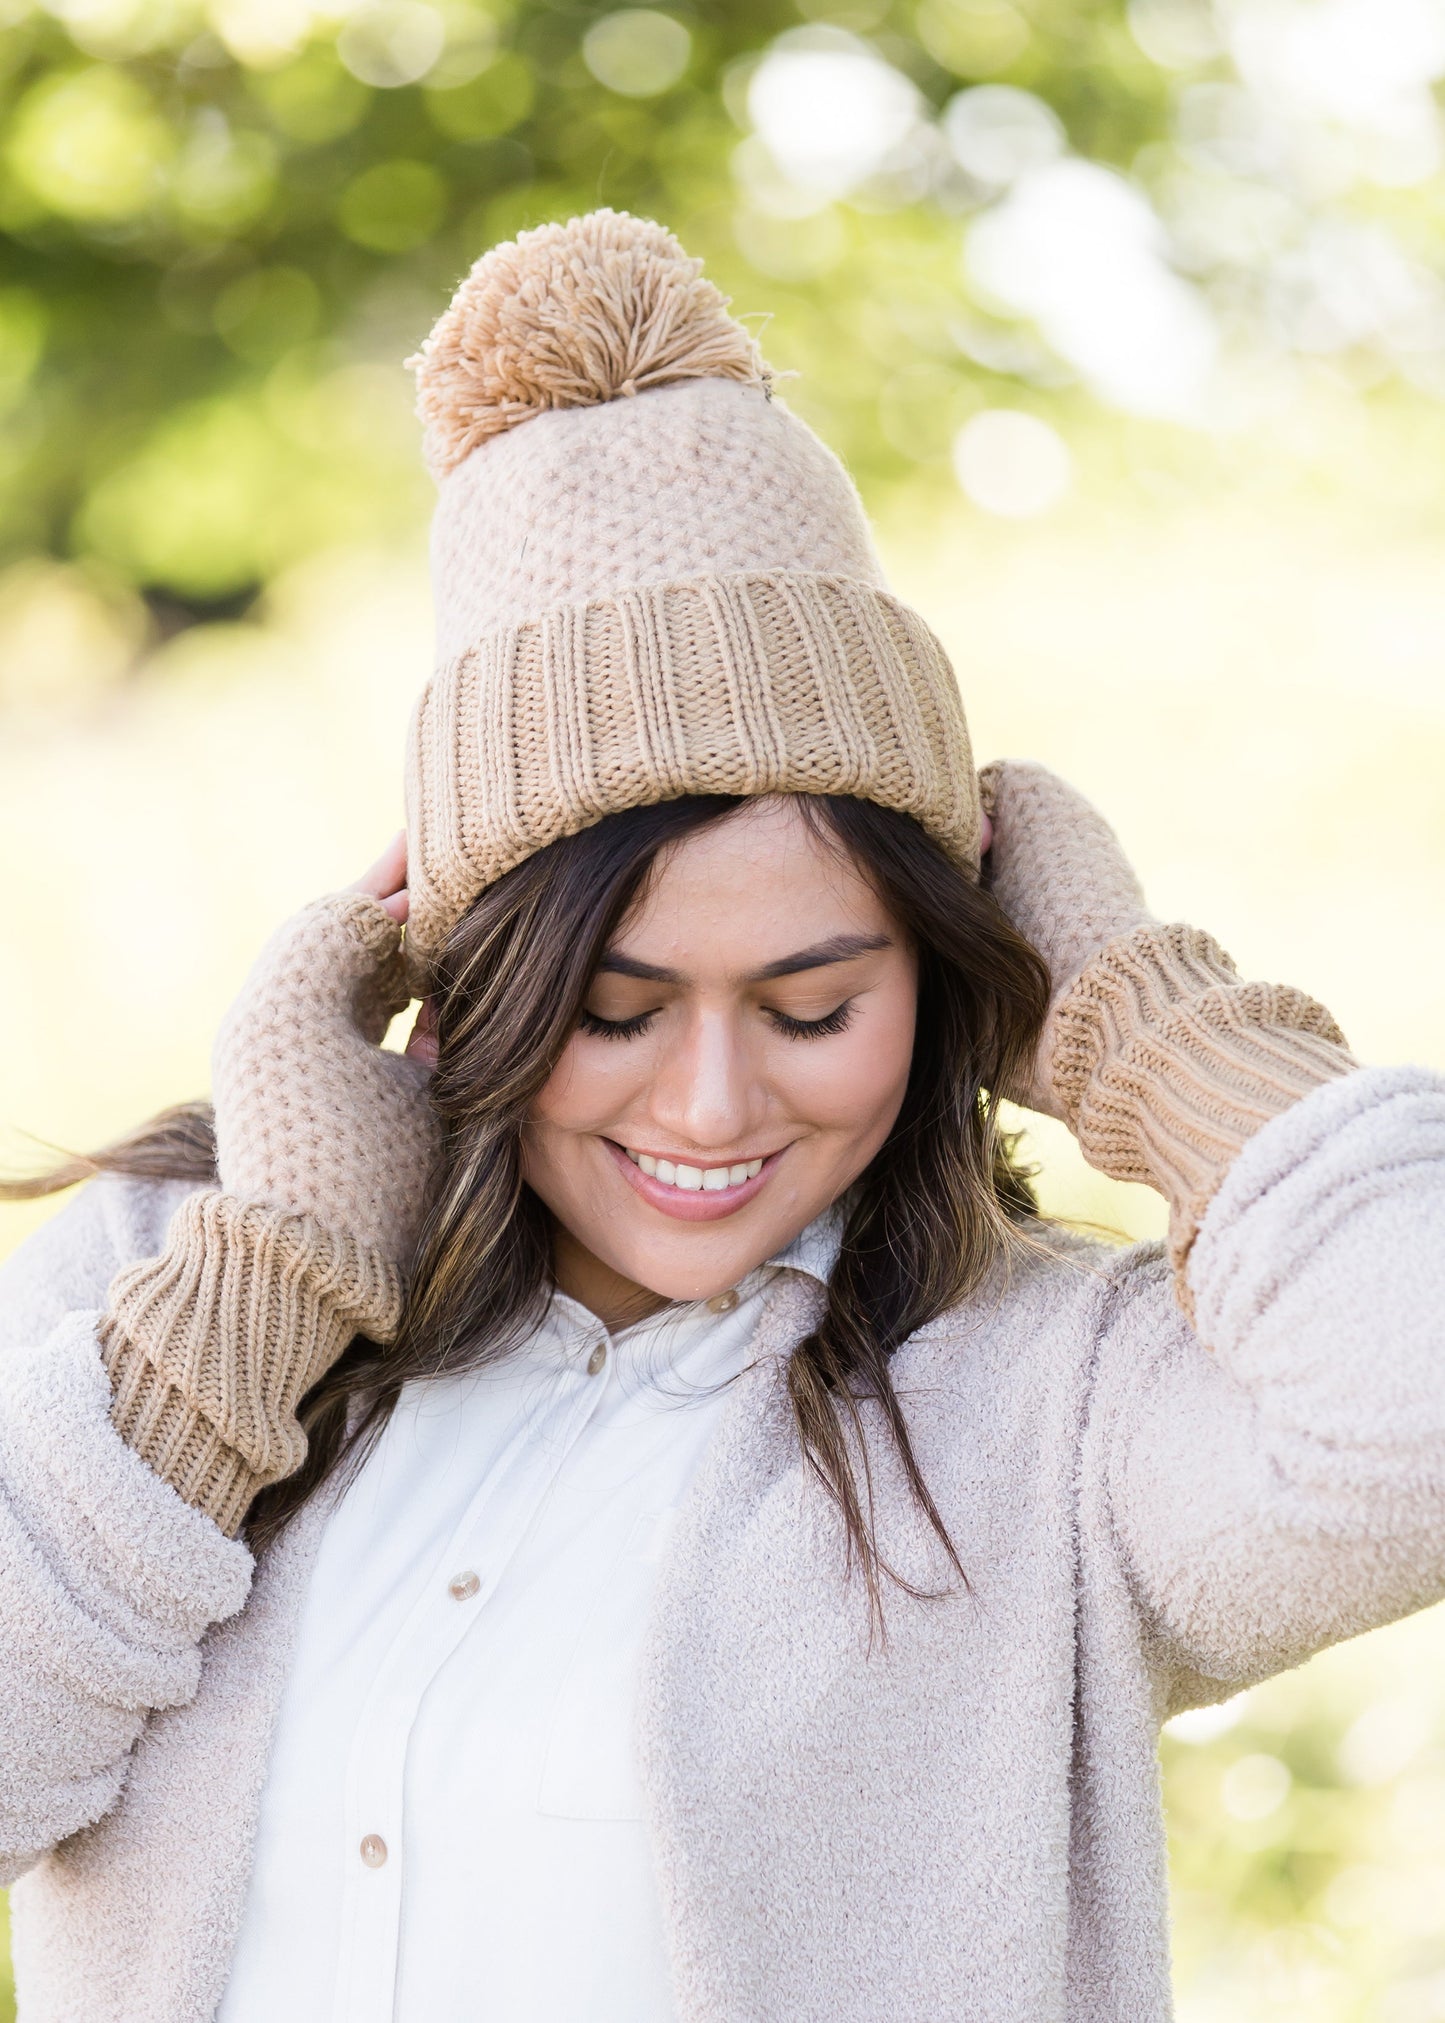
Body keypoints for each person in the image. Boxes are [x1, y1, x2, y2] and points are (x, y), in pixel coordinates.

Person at [2, 208, 1442, 2023]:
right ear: (468, 986)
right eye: (611, 1011)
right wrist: (270, 1284)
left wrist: (1144, 1026)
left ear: (945, 989)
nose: (707, 1103)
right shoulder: (167, 1292)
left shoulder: (1050, 1406)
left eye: (814, 1006)